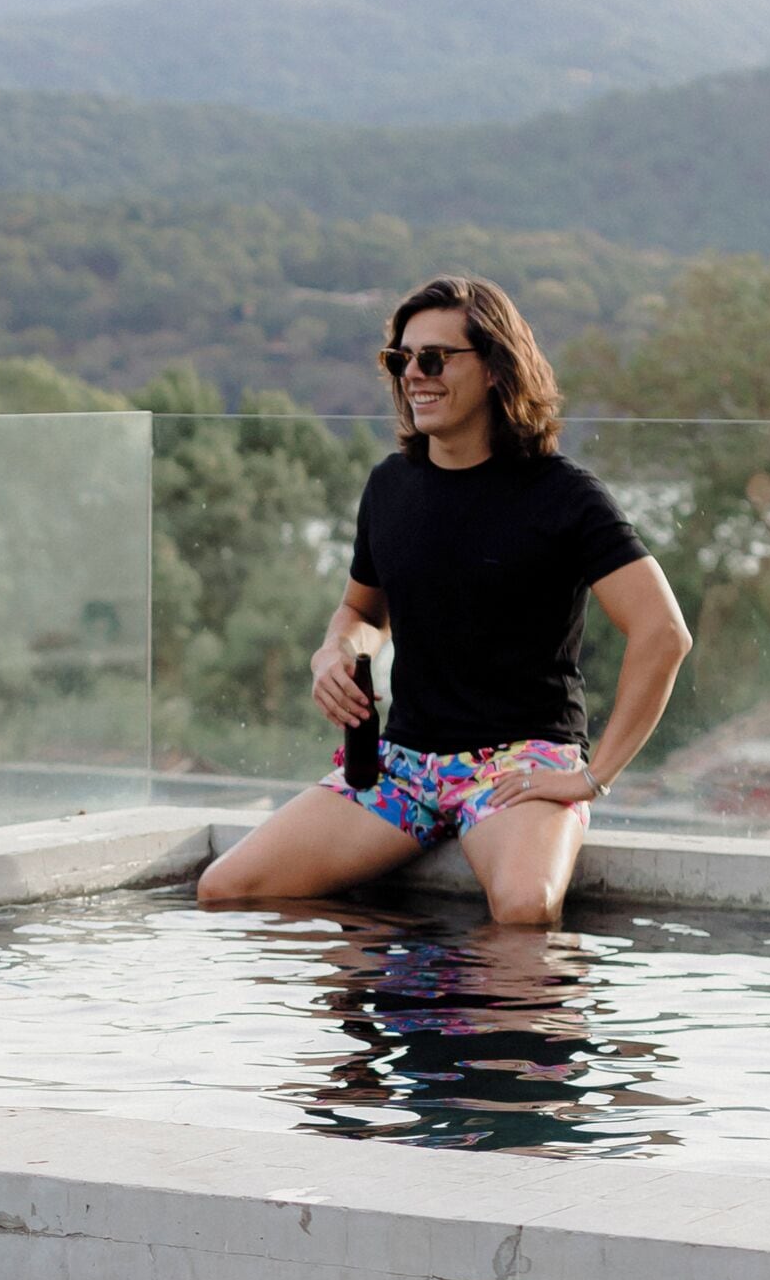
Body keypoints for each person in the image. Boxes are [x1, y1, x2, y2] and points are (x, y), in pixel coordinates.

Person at [199, 273, 691, 927]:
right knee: (226, 890)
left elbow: (662, 633)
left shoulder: (564, 496)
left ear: (493, 367)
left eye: (432, 359)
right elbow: (363, 614)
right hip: (399, 770)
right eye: (400, 360)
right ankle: (395, 987)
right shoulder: (389, 487)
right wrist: (331, 653)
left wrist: (592, 776)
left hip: (518, 766)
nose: (413, 376)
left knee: (523, 910)